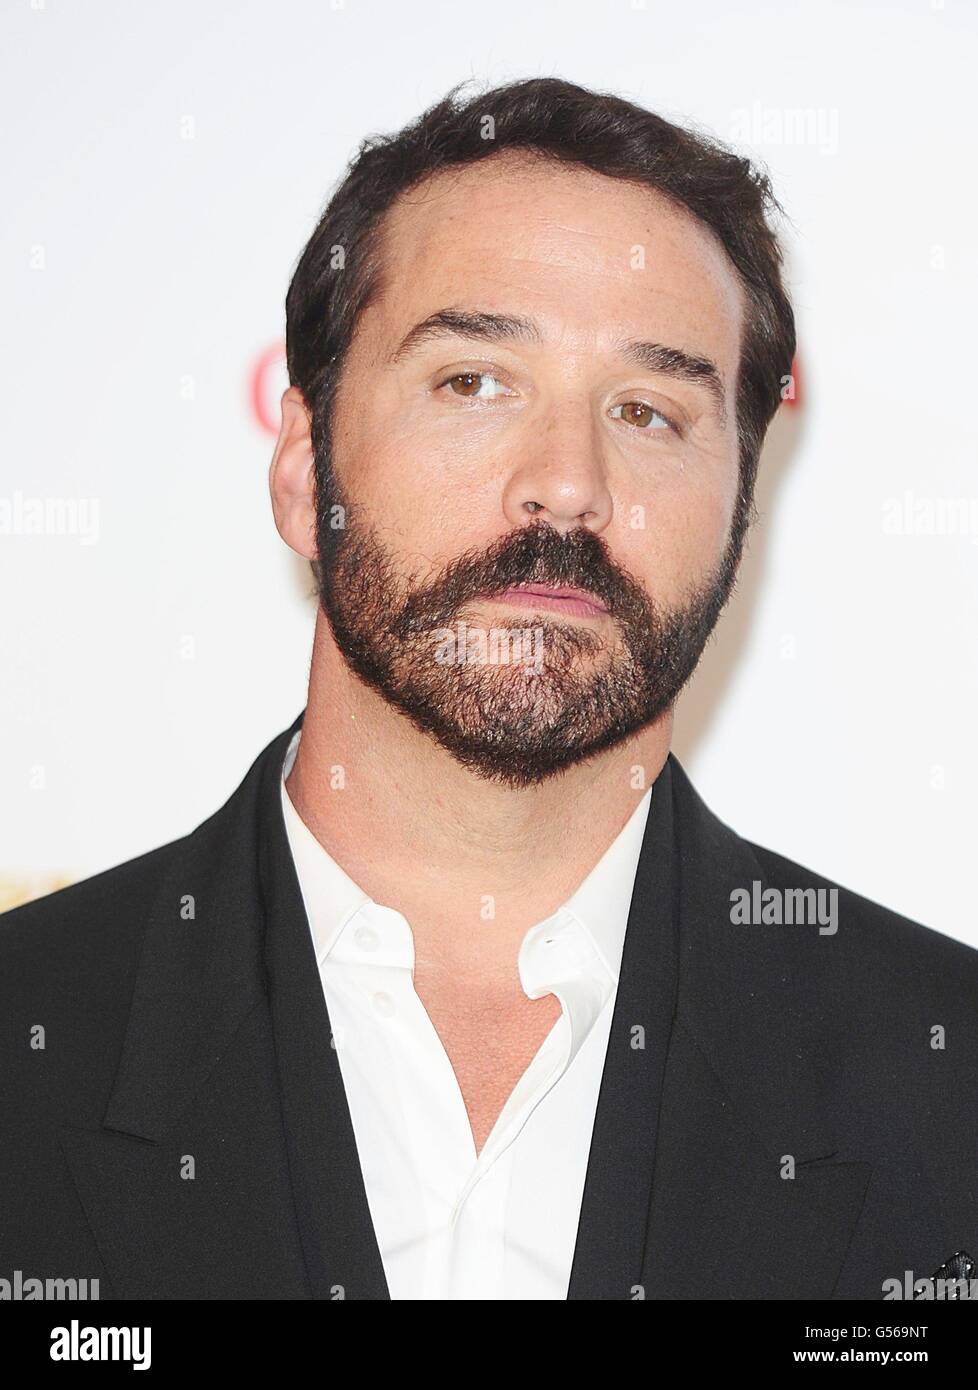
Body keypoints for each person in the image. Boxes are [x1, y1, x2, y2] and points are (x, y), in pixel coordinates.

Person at [2, 76, 976, 1303]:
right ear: (306, 469)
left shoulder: (948, 1085)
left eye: (649, 409)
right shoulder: (28, 1034)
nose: (566, 483)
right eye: (474, 381)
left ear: (742, 512)